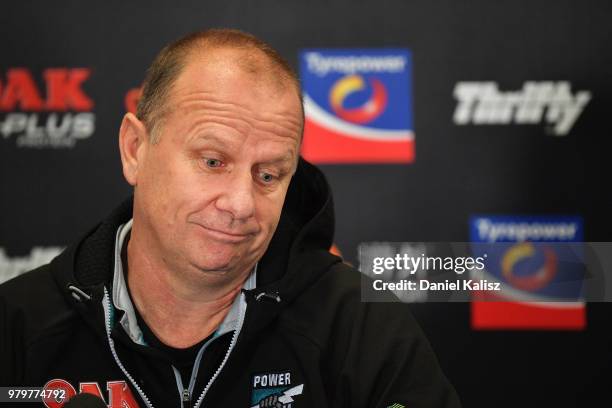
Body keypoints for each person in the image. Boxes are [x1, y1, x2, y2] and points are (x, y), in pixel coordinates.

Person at [0, 29, 461, 408]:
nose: (241, 204)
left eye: (268, 175)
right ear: (135, 149)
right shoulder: (19, 324)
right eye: (213, 161)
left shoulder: (359, 325)